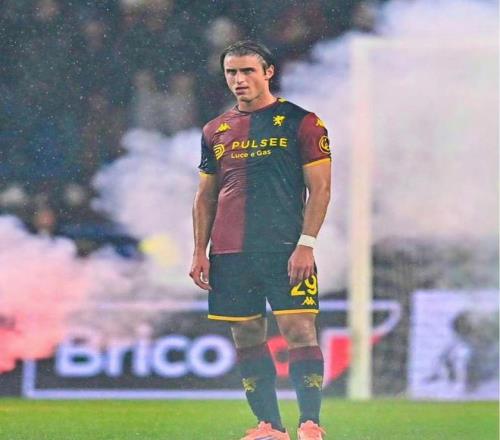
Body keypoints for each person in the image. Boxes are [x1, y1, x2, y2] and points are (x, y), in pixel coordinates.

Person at [190, 40, 332, 440]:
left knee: (299, 330)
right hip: (229, 253)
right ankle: (270, 426)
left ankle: (310, 424)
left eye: (248, 71)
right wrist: (200, 251)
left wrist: (306, 243)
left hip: (285, 249)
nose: (239, 79)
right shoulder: (214, 130)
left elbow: (320, 189)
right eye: (231, 72)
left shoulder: (303, 122)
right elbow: (205, 196)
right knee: (246, 336)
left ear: (268, 72)